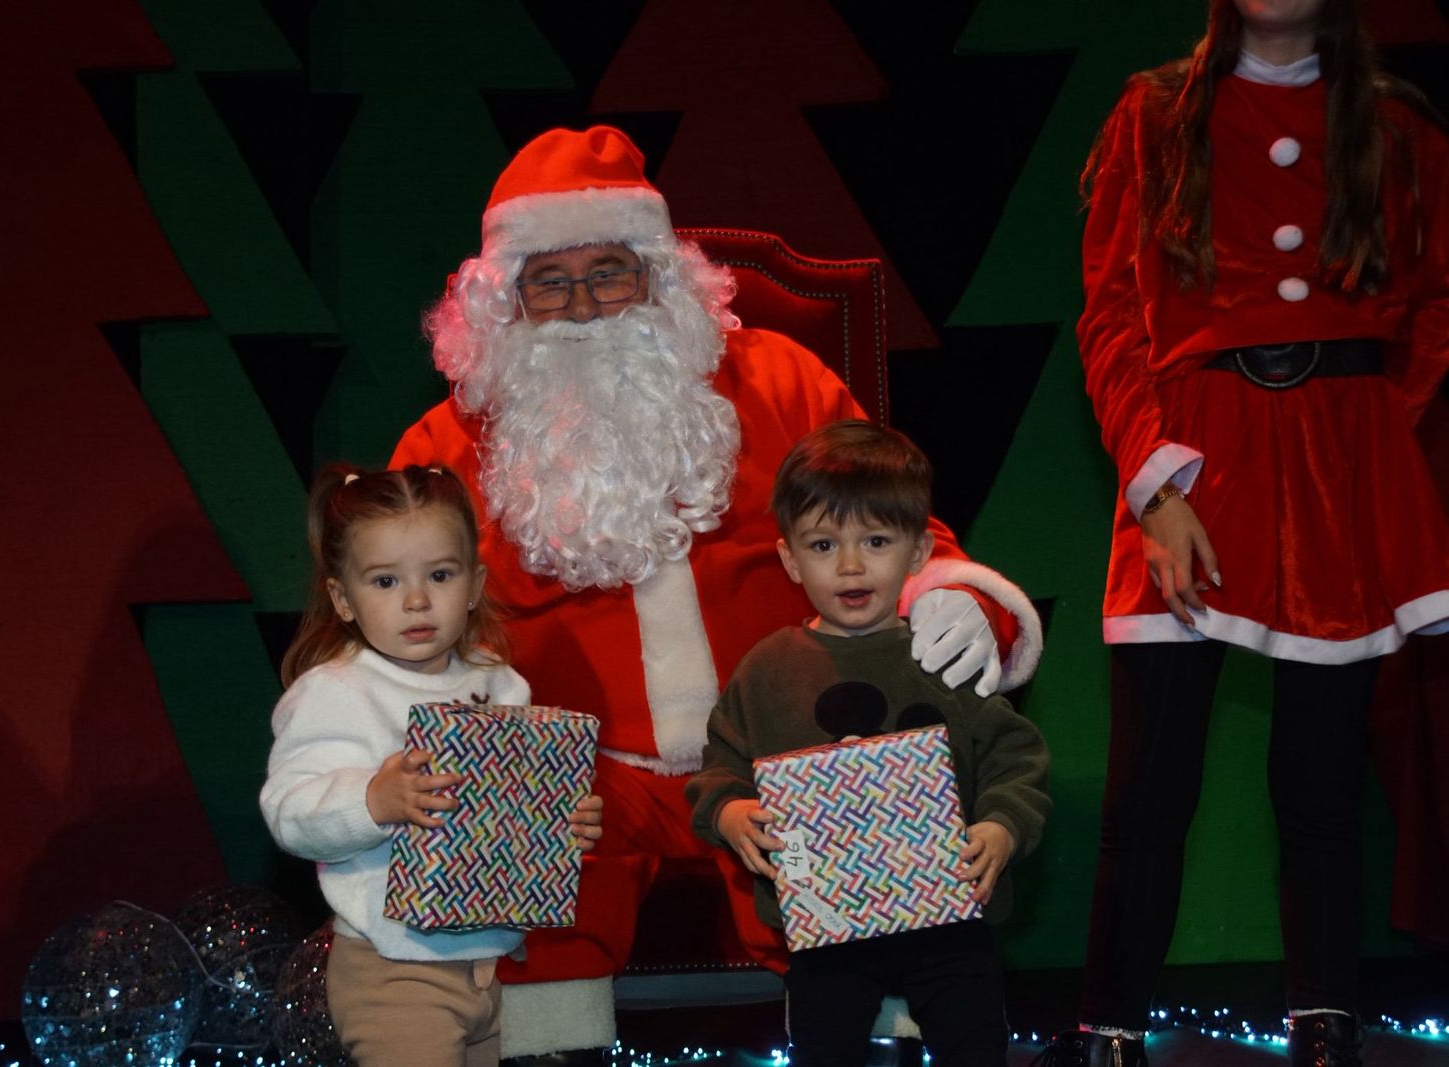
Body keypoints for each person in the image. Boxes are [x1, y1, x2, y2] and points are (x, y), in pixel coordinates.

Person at [391, 124, 1046, 1059]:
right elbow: (394, 611)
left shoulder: (780, 381)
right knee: (505, 782)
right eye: (550, 282)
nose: (583, 308)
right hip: (586, 773)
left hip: (779, 748)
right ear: (507, 303)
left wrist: (952, 594)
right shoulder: (448, 443)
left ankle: (875, 1024)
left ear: (657, 277)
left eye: (609, 273)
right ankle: (546, 1045)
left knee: (863, 752)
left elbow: (901, 527)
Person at [1037, 3, 1449, 1065]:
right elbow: (1110, 313)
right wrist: (1155, 486)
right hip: (1194, 467)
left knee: (1321, 782)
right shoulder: (1153, 114)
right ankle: (1110, 1032)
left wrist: (1367, 441)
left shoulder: (1398, 128)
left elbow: (1434, 304)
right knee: (1149, 787)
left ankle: (1325, 1030)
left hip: (1337, 475)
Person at [684, 420, 1051, 1067]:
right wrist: (732, 813)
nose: (851, 565)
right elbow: (719, 768)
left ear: (917, 552)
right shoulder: (768, 669)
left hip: (948, 921)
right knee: (823, 1045)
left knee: (974, 1042)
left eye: (876, 541)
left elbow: (1015, 758)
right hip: (825, 927)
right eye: (824, 544)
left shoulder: (941, 654)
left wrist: (1001, 827)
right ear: (790, 559)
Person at [259, 463, 605, 1067]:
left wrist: (558, 825)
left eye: (440, 575)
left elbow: (511, 816)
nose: (417, 600)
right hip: (393, 971)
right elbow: (290, 814)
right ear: (343, 598)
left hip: (496, 965)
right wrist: (373, 800)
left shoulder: (501, 684)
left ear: (474, 584)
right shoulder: (336, 692)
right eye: (385, 581)